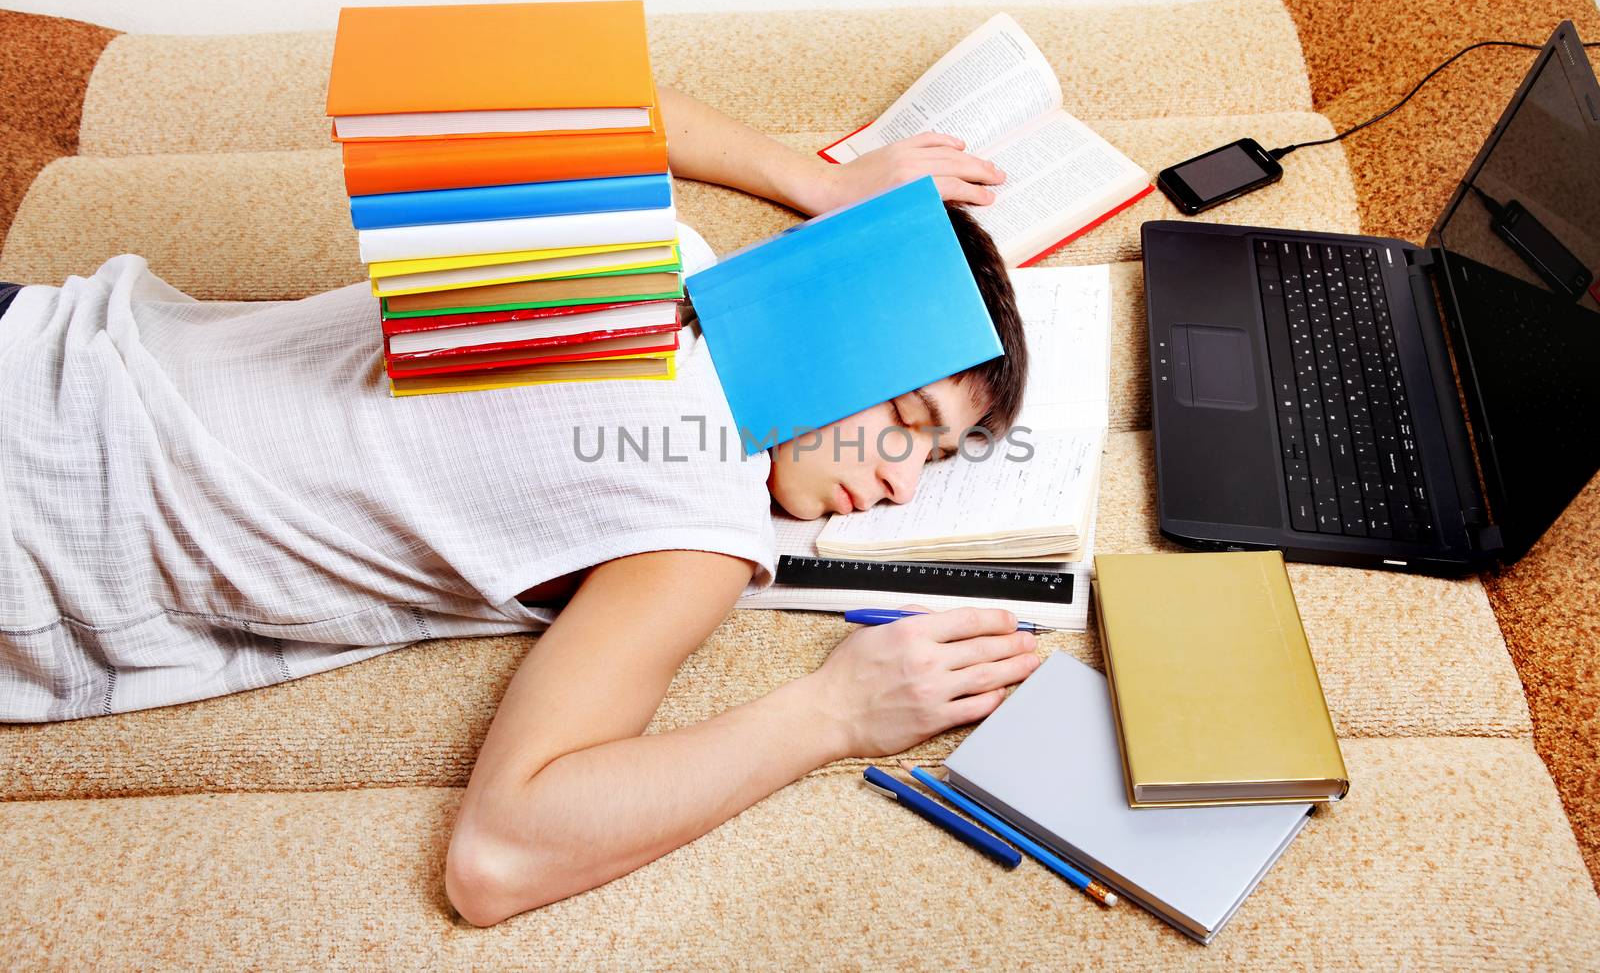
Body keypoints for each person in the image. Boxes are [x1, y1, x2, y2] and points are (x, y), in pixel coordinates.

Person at [0, 86, 1037, 926]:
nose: (900, 477)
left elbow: (561, 96)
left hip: (47, 330)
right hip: (33, 502)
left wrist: (821, 185)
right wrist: (833, 711)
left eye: (934, 457)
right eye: (907, 415)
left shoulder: (667, 252)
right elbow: (497, 856)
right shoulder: (696, 517)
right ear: (839, 315)